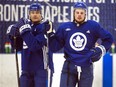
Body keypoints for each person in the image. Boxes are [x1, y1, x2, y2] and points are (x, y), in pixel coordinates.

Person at [48, 2, 113, 87]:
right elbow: (54, 47)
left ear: (85, 13)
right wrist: (50, 34)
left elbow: (109, 39)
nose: (79, 15)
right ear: (73, 13)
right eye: (77, 12)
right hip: (69, 66)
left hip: (86, 67)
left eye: (81, 13)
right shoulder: (64, 27)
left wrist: (100, 49)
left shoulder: (93, 26)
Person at [7, 3, 54, 87]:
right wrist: (13, 36)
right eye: (32, 12)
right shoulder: (25, 26)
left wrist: (24, 30)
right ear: (29, 14)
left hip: (41, 70)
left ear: (41, 14)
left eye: (37, 12)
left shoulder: (45, 27)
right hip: (25, 69)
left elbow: (34, 46)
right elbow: (17, 47)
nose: (35, 14)